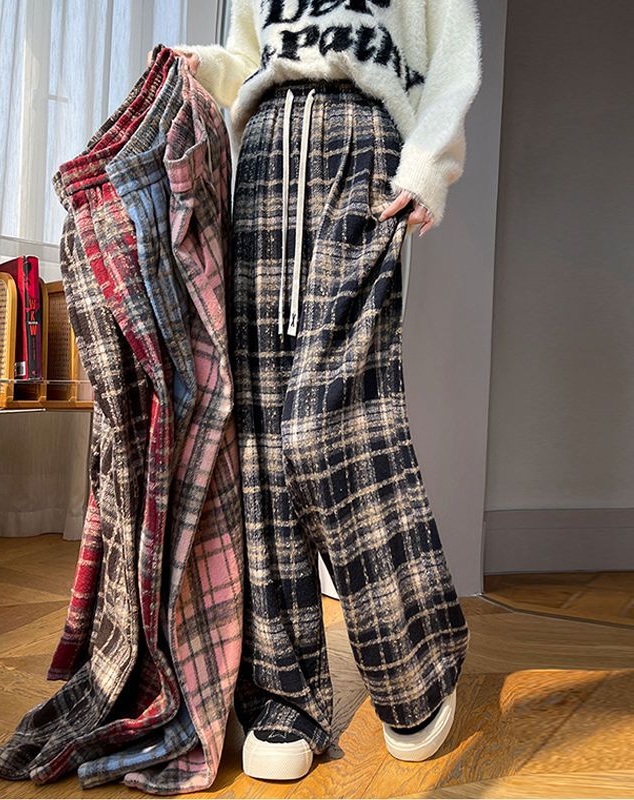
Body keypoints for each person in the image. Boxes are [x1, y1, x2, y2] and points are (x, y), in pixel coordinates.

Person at [162, 0, 483, 781]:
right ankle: (285, 695)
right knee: (262, 438)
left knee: (333, 421)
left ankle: (418, 654)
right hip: (265, 156)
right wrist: (202, 68)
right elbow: (250, 59)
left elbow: (450, 61)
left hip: (360, 146)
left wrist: (427, 166)